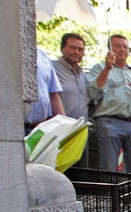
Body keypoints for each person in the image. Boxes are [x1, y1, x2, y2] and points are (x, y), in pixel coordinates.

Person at [87, 34, 131, 212]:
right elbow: (93, 92)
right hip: (109, 122)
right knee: (109, 171)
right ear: (110, 49)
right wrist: (107, 68)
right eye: (118, 46)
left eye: (125, 47)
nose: (122, 50)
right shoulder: (100, 68)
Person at [53, 33, 90, 168]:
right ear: (62, 48)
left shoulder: (83, 75)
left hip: (80, 131)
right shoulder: (53, 68)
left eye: (80, 49)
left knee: (81, 173)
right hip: (60, 131)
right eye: (72, 48)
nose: (76, 52)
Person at [26, 47, 64, 136]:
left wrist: (64, 124)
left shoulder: (43, 55)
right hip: (18, 128)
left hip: (42, 128)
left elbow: (53, 93)